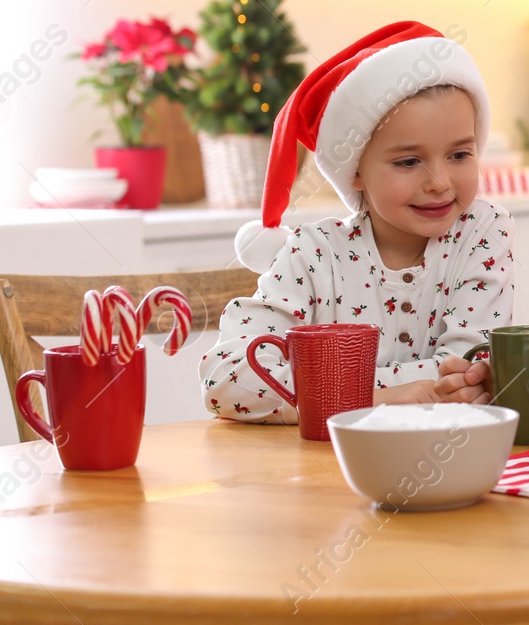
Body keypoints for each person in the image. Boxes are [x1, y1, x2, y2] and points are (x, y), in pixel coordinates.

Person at [200, 21, 510, 421]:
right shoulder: (313, 254)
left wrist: (320, 391)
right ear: (356, 172)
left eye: (460, 155)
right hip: (316, 475)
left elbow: (467, 374)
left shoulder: (483, 233)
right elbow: (225, 380)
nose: (440, 183)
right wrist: (376, 400)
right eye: (408, 161)